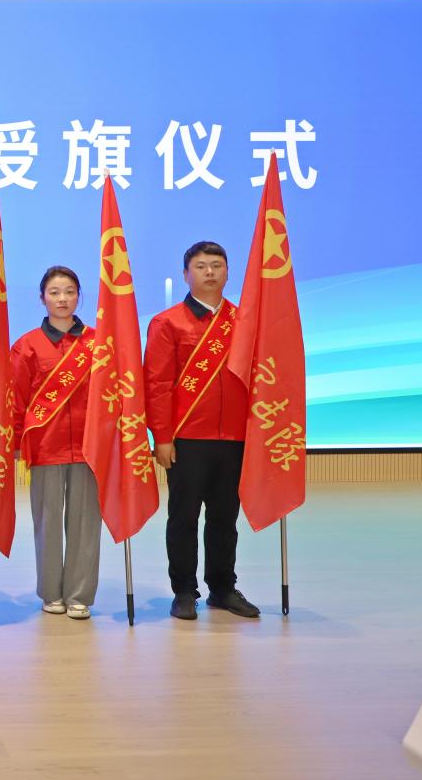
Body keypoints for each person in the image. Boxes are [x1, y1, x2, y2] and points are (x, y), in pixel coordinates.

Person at [144, 241, 260, 621]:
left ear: (227, 273)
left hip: (234, 439)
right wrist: (162, 437)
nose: (209, 272)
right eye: (200, 266)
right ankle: (183, 591)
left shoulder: (244, 320)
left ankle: (222, 588)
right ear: (186, 274)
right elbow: (157, 384)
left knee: (225, 518)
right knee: (183, 517)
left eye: (216, 265)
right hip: (187, 439)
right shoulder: (167, 323)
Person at [11, 266, 100, 620]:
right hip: (45, 446)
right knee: (47, 523)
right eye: (54, 292)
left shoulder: (98, 342)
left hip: (89, 447)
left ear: (79, 296)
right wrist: (16, 442)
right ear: (42, 298)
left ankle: (79, 594)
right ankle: (50, 592)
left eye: (69, 292)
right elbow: (16, 399)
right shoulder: (27, 345)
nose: (62, 299)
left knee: (85, 523)